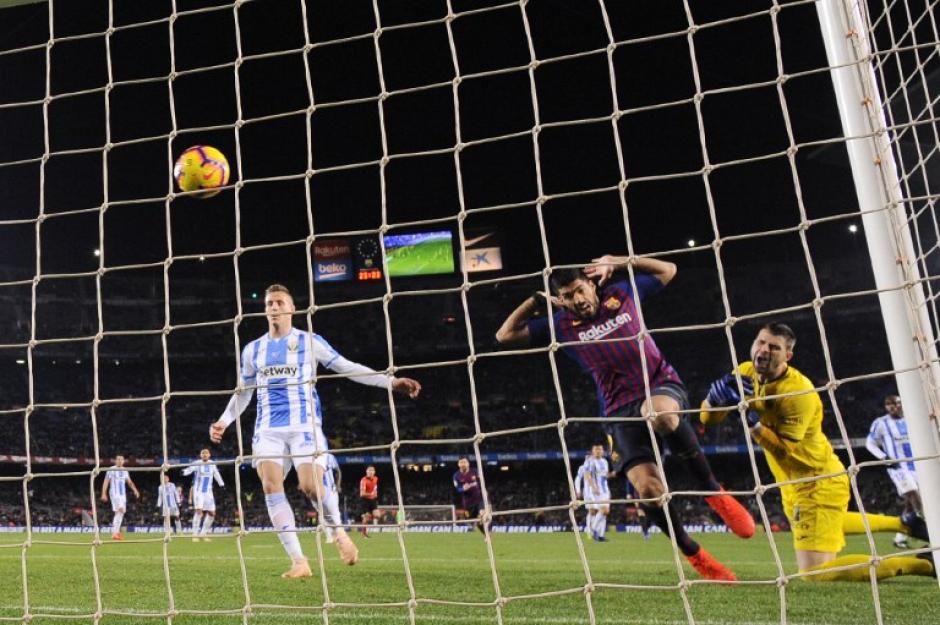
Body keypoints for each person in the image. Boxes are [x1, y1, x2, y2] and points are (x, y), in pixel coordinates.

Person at [496, 255, 749, 581]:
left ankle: (714, 491)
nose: (577, 300)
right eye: (568, 296)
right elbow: (504, 336)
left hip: (659, 384)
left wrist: (619, 261)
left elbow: (670, 270)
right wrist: (534, 301)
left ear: (590, 284)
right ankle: (694, 554)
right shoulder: (560, 324)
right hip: (618, 410)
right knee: (648, 490)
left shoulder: (622, 293)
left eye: (579, 291)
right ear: (561, 299)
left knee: (658, 415)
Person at [210, 283, 421, 577]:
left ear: (292, 308)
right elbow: (243, 392)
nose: (273, 307)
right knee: (271, 485)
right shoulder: (252, 350)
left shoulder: (310, 342)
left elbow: (348, 367)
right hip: (268, 430)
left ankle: (338, 532)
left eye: (279, 303)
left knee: (309, 486)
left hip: (303, 426)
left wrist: (390, 381)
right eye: (269, 303)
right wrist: (224, 420)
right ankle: (299, 561)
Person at [701, 323, 933, 581]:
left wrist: (752, 422)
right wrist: (713, 400)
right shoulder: (744, 371)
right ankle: (904, 523)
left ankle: (924, 564)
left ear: (787, 356)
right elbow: (707, 419)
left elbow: (785, 451)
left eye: (774, 347)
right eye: (761, 342)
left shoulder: (798, 392)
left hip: (815, 481)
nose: (764, 350)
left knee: (814, 574)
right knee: (830, 521)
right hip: (794, 482)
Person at [866, 394, 922, 549]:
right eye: (888, 404)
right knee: (913, 493)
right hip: (898, 467)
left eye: (895, 403)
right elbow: (870, 443)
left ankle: (900, 538)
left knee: (911, 505)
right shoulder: (881, 423)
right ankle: (927, 523)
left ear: (902, 404)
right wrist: (884, 457)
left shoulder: (911, 419)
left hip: (918, 465)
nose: (892, 407)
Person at [183, 448, 225, 542]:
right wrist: (183, 472)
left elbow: (216, 474)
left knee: (212, 513)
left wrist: (221, 484)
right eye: (203, 453)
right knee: (199, 512)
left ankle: (203, 534)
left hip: (208, 492)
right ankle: (194, 535)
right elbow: (189, 470)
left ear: (209, 455)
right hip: (198, 491)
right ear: (200, 455)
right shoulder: (197, 463)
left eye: (206, 453)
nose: (205, 455)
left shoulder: (212, 463)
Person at [99, 455, 140, 541]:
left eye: (121, 459)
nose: (120, 461)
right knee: (121, 510)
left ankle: (116, 533)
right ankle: (114, 533)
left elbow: (129, 482)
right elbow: (106, 481)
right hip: (115, 493)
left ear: (124, 461)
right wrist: (103, 493)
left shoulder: (125, 470)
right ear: (115, 460)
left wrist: (135, 490)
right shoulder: (111, 469)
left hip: (122, 495)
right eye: (118, 459)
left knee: (121, 512)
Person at [583, 444, 611, 542]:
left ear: (603, 451)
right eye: (596, 449)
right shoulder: (589, 462)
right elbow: (587, 475)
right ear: (593, 451)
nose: (598, 451)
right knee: (603, 510)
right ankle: (593, 529)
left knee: (605, 513)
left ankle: (600, 535)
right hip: (596, 491)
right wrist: (594, 487)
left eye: (600, 449)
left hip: (605, 490)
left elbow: (605, 476)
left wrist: (612, 474)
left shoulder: (605, 462)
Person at [453, 457, 485, 533]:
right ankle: (485, 534)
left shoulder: (474, 471)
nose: (463, 464)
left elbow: (481, 482)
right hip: (468, 503)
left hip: (479, 498)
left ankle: (488, 532)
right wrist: (463, 488)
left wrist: (484, 490)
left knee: (482, 514)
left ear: (468, 463)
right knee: (476, 521)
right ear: (458, 464)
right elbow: (457, 488)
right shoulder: (456, 476)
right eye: (461, 462)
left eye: (464, 462)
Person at [573, 454, 593, 538]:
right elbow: (578, 479)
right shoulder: (583, 468)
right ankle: (589, 530)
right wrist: (578, 490)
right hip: (588, 493)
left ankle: (593, 529)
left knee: (599, 511)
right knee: (591, 511)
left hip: (599, 493)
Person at [358, 466, 379, 538]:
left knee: (377, 515)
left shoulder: (376, 478)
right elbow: (362, 494)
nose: (370, 472)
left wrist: (375, 493)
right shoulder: (363, 480)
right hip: (365, 500)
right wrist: (371, 494)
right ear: (366, 472)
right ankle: (364, 534)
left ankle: (366, 517)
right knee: (366, 518)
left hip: (373, 500)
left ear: (374, 472)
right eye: (369, 470)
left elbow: (375, 487)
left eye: (372, 470)